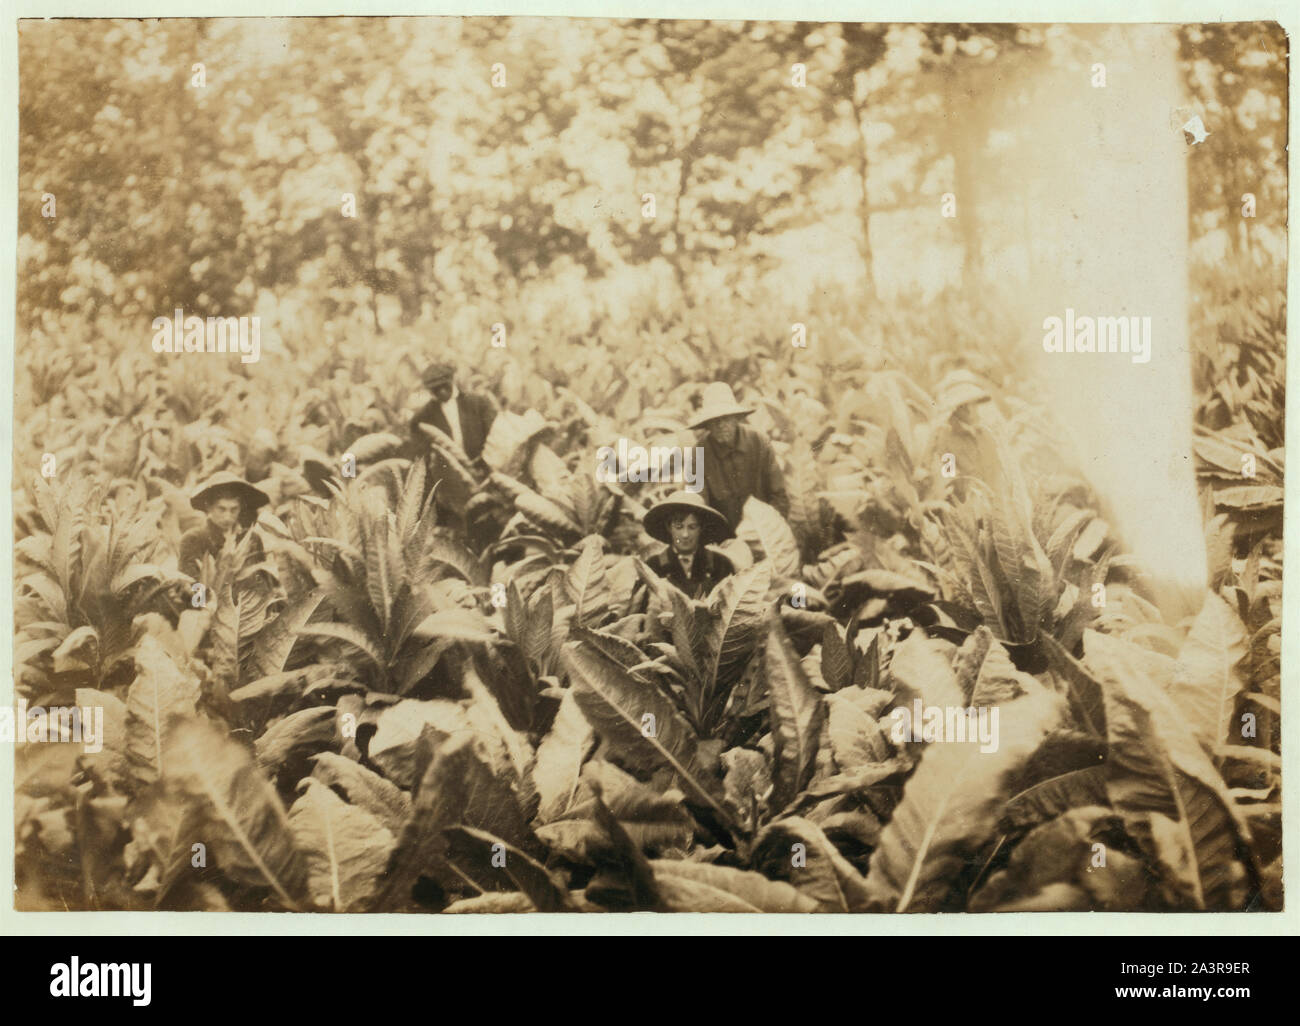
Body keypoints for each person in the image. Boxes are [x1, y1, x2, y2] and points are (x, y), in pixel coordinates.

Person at [690, 382, 789, 529]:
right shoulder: (697, 454)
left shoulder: (759, 442)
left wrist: (768, 531)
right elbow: (699, 507)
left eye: (726, 418)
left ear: (736, 418)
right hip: (723, 539)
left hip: (765, 533)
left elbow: (779, 496)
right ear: (707, 425)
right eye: (714, 420)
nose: (721, 425)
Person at [643, 490, 735, 600]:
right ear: (669, 528)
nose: (685, 535)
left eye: (692, 527)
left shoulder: (719, 563)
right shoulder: (653, 566)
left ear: (701, 528)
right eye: (679, 527)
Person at [178, 471, 271, 579]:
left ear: (240, 508)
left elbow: (263, 582)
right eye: (221, 509)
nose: (227, 516)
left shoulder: (252, 539)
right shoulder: (194, 539)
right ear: (209, 507)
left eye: (234, 509)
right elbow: (189, 585)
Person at [409, 361, 497, 462]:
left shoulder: (479, 403)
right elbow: (422, 456)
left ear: (452, 380)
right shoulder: (422, 418)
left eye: (444, 385)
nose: (442, 391)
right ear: (429, 390)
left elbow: (494, 438)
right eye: (436, 389)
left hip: (483, 467)